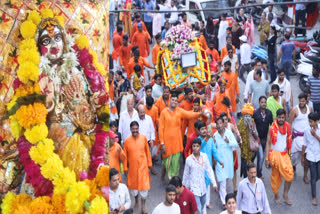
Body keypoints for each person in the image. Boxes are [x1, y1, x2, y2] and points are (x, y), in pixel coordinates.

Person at [159, 93, 203, 180]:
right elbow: (161, 128)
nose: (174, 102)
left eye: (176, 101)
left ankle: (173, 180)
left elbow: (189, 114)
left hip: (176, 142)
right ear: (170, 101)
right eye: (173, 100)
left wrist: (200, 113)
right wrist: (162, 143)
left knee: (175, 163)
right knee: (166, 162)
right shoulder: (164, 112)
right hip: (167, 143)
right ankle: (164, 173)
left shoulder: (179, 111)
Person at [265, 109, 294, 205]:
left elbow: (289, 140)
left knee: (290, 176)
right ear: (276, 117)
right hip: (275, 155)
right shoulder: (272, 128)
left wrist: (289, 153)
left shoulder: (287, 126)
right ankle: (276, 194)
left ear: (285, 117)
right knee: (275, 177)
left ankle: (285, 194)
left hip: (284, 154)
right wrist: (266, 158)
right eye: (279, 117)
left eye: (283, 117)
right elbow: (268, 143)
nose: (281, 119)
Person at [183, 138, 218, 214]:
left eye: (197, 146)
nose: (195, 148)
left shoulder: (204, 157)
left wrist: (214, 183)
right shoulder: (189, 160)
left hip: (203, 187)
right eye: (193, 146)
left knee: (202, 206)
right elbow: (186, 174)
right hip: (193, 188)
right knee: (197, 209)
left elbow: (209, 170)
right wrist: (183, 188)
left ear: (200, 147)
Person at [123, 121, 152, 214]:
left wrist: (149, 164)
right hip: (132, 169)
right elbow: (125, 156)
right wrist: (125, 168)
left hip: (143, 168)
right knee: (134, 189)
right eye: (133, 129)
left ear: (138, 129)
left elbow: (147, 152)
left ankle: (143, 206)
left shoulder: (143, 138)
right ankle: (136, 200)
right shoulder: (127, 141)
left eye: (136, 129)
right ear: (130, 129)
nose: (135, 130)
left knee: (144, 187)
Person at [198, 121, 223, 210]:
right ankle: (201, 203)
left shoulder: (211, 140)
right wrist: (207, 138)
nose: (204, 131)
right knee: (202, 186)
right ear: (198, 131)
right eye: (202, 129)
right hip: (200, 167)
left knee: (208, 185)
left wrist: (220, 160)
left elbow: (214, 151)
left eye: (205, 129)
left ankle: (207, 202)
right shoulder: (198, 140)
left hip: (208, 166)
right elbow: (200, 146)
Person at [213, 117, 238, 207]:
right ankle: (224, 203)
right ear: (216, 125)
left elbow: (235, 144)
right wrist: (214, 160)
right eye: (217, 124)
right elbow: (213, 149)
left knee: (227, 180)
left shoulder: (229, 133)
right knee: (222, 182)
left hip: (228, 162)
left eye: (221, 123)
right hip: (220, 163)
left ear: (224, 124)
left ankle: (225, 198)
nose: (219, 126)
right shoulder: (215, 135)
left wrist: (229, 142)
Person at [289, 93, 312, 184]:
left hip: (307, 138)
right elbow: (289, 123)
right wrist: (289, 137)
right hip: (297, 138)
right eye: (300, 101)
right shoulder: (295, 110)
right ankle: (293, 166)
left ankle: (305, 176)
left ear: (306, 101)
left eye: (303, 101)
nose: (301, 103)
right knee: (294, 157)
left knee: (306, 158)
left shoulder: (310, 109)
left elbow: (311, 121)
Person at [302, 112, 320, 206]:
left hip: (319, 156)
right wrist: (303, 157)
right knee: (313, 177)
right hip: (311, 156)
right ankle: (314, 197)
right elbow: (304, 143)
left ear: (316, 121)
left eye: (311, 121)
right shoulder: (306, 130)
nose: (310, 123)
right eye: (309, 121)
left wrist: (315, 135)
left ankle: (313, 182)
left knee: (318, 176)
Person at [253, 96, 273, 178]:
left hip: (266, 139)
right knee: (261, 157)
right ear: (259, 103)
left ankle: (256, 169)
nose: (263, 104)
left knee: (264, 156)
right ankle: (259, 174)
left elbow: (272, 125)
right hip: (258, 139)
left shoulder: (269, 113)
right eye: (262, 102)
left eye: (265, 102)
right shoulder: (255, 113)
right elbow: (252, 126)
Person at [238, 104, 259, 178]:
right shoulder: (240, 124)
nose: (247, 117)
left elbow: (256, 136)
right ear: (243, 116)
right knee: (245, 170)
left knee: (250, 167)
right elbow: (238, 138)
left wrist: (252, 129)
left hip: (251, 150)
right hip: (244, 151)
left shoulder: (252, 122)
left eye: (249, 115)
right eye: (245, 115)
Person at [145, 96, 160, 161]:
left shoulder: (155, 109)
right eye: (148, 106)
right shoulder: (143, 108)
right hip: (144, 132)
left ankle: (151, 160)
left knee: (154, 150)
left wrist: (159, 131)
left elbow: (157, 121)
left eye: (151, 106)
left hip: (153, 131)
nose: (149, 107)